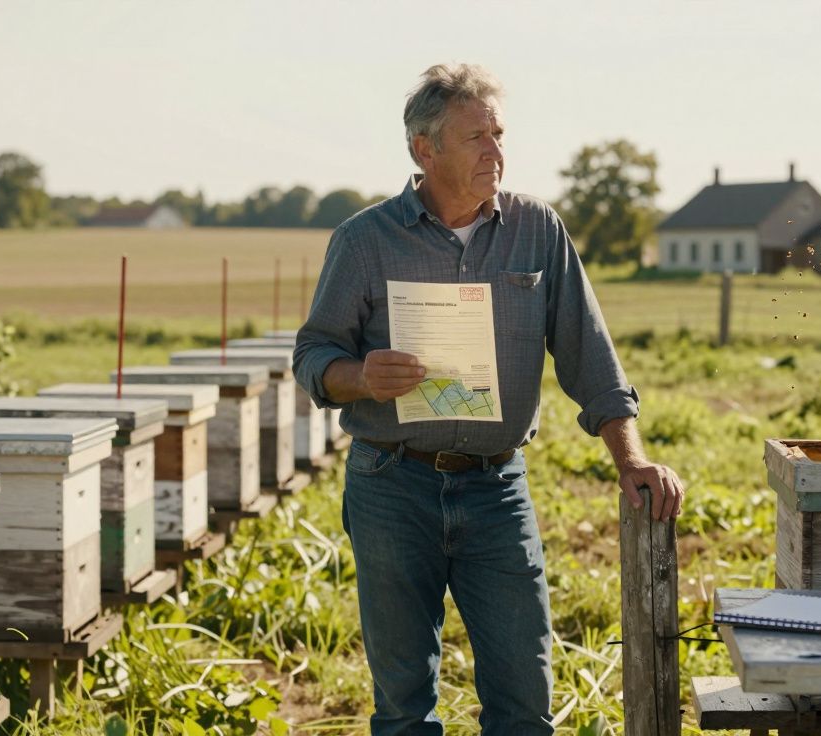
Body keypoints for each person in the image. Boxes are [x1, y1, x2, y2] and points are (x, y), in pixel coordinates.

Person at [292, 63, 684, 735]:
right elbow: (313, 357)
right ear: (424, 149)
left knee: (524, 701)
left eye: (499, 134)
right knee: (403, 706)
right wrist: (360, 377)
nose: (496, 153)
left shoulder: (538, 231)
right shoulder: (364, 241)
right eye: (476, 137)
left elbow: (591, 357)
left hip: (497, 491)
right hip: (391, 487)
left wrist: (631, 459)